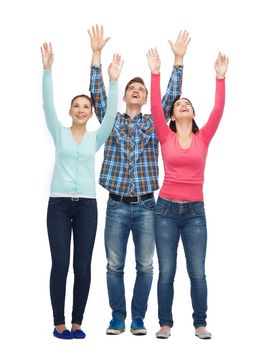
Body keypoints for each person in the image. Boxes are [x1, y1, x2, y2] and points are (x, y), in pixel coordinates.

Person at [88, 24, 190, 335]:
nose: (136, 89)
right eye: (132, 87)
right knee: (114, 266)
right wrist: (96, 55)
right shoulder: (112, 121)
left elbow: (171, 97)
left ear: (145, 98)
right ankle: (118, 316)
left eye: (141, 88)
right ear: (126, 95)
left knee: (146, 267)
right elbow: (97, 95)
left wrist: (177, 62)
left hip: (148, 206)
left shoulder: (154, 123)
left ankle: (138, 317)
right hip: (116, 206)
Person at [41, 41, 123, 339]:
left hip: (87, 206)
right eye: (76, 105)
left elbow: (111, 116)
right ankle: (59, 322)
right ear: (70, 111)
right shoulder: (58, 132)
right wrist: (47, 70)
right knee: (61, 263)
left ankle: (77, 323)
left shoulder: (95, 138)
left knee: (83, 265)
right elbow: (47, 104)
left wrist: (114, 82)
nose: (80, 109)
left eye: (85, 107)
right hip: (59, 205)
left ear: (90, 114)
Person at [147, 46, 229, 339]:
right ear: (172, 114)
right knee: (167, 271)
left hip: (195, 212)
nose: (183, 105)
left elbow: (218, 110)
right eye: (179, 103)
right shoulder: (164, 135)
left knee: (197, 272)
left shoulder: (203, 137)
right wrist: (156, 73)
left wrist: (220, 78)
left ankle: (200, 323)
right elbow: (155, 106)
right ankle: (165, 323)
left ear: (193, 114)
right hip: (166, 210)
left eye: (188, 104)